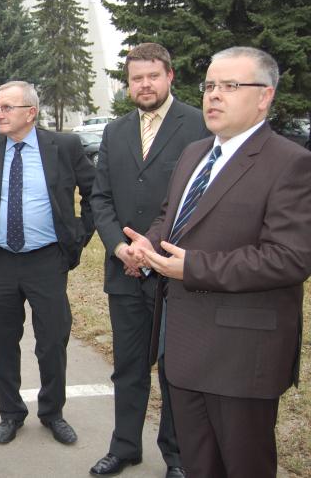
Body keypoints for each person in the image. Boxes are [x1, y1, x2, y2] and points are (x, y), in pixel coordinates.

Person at [125, 47, 311, 478]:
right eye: (210, 85)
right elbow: (172, 217)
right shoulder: (195, 154)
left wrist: (193, 268)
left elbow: (290, 258)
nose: (213, 95)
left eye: (230, 86)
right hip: (184, 348)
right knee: (199, 465)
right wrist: (149, 244)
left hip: (241, 357)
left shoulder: (291, 163)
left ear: (264, 97)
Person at [89, 43, 208, 478]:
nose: (144, 85)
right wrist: (119, 248)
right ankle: (124, 448)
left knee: (175, 370)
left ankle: (176, 456)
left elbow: (202, 198)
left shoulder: (198, 125)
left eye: (152, 76)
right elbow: (100, 198)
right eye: (136, 78)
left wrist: (152, 251)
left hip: (172, 273)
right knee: (129, 367)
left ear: (170, 76)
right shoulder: (115, 131)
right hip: (124, 271)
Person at [0, 81, 94, 447]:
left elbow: (95, 191)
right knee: (3, 341)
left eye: (7, 107)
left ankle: (52, 412)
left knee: (52, 341)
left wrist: (79, 236)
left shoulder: (64, 147)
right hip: (1, 261)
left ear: (31, 113)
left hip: (47, 260)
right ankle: (10, 413)